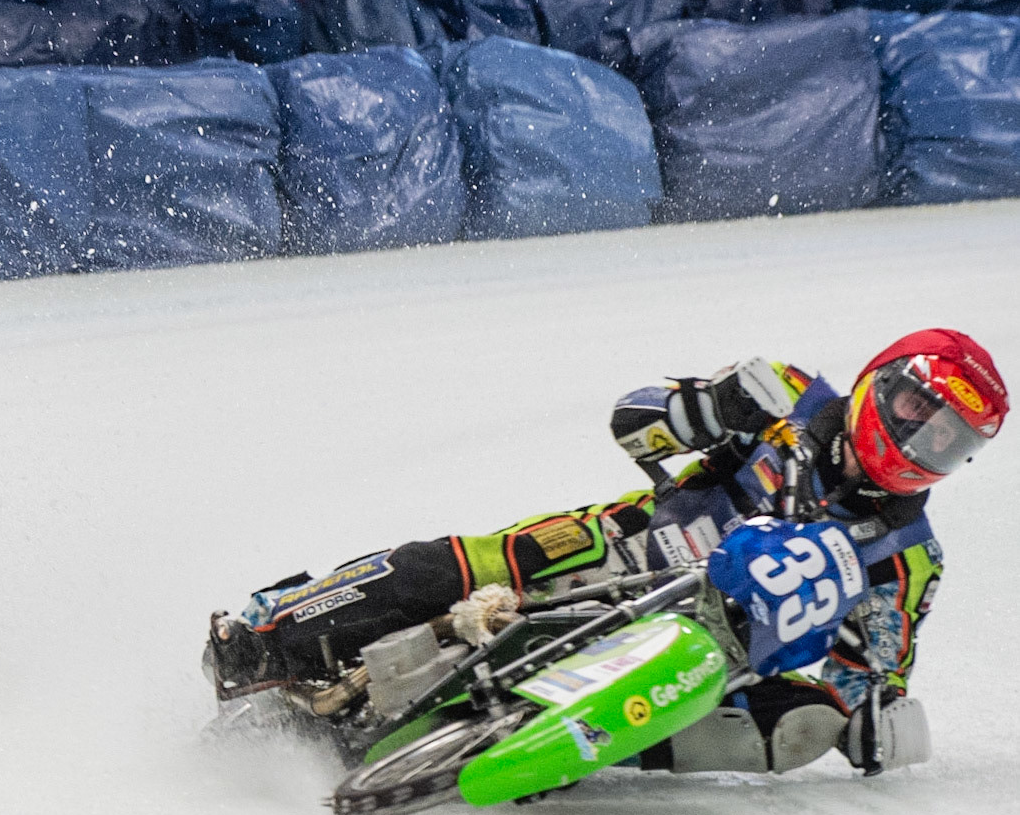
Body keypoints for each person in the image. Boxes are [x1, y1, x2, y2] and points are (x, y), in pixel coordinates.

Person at [207, 329, 1007, 774]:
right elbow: (634, 418)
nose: (917, 439)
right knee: (454, 565)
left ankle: (549, 746)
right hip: (623, 542)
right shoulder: (788, 394)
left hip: (697, 641)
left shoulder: (907, 559)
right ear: (882, 379)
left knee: (798, 725)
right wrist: (706, 407)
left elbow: (873, 670)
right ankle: (263, 630)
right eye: (915, 408)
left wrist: (872, 721)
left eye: (946, 439)